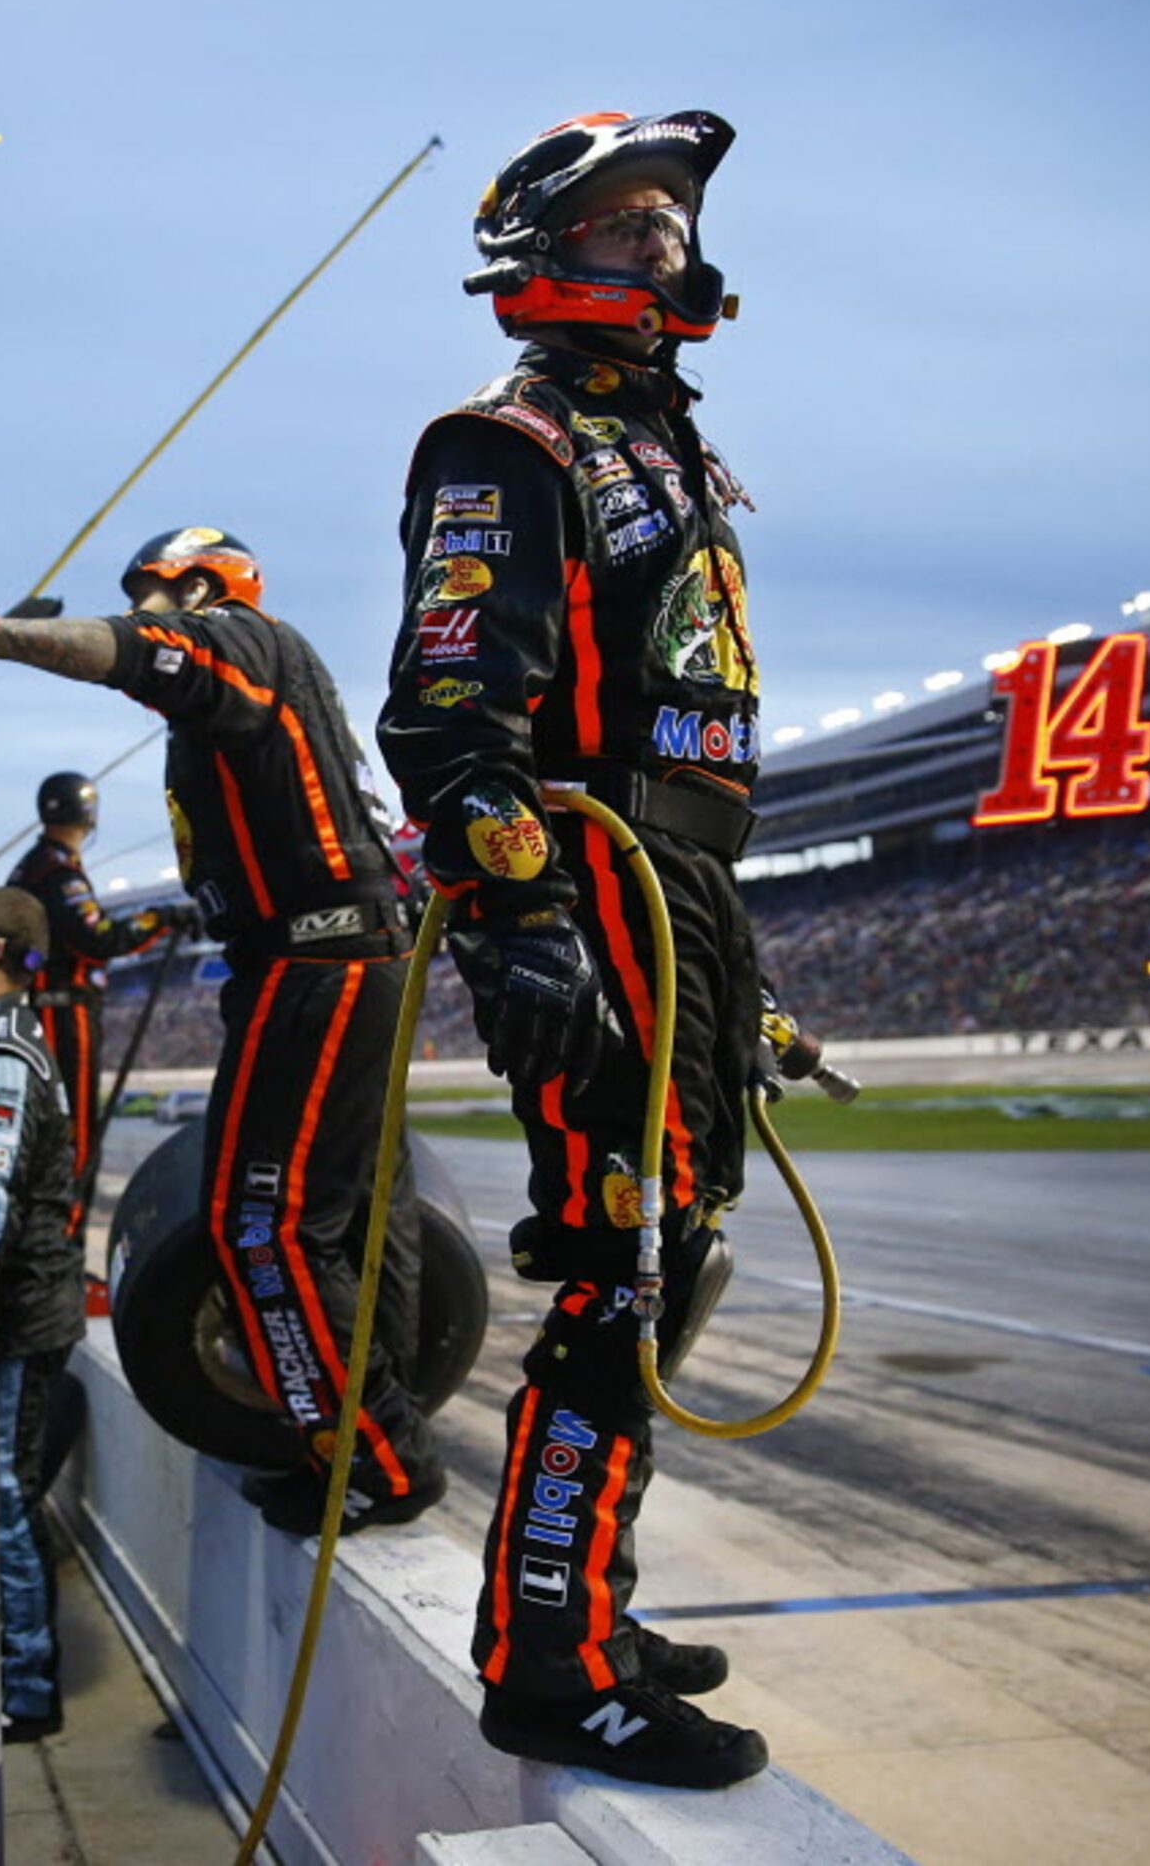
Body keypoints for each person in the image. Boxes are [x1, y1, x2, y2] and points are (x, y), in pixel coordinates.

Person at [376, 110, 769, 1788]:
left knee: (670, 1261)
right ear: (540, 253)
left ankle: (586, 1602)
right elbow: (454, 712)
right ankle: (553, 1654)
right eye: (624, 223)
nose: (662, 245)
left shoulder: (668, 446)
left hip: (686, 890)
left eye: (672, 220)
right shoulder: (505, 442)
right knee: (614, 1273)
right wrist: (525, 922)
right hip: (590, 879)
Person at [0, 528, 442, 1533]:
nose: (142, 615)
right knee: (366, 1216)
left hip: (312, 963)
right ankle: (371, 1448)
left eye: (152, 596)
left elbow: (145, 655)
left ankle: (375, 1458)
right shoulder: (268, 672)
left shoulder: (237, 639)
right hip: (340, 956)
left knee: (262, 1228)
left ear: (201, 586)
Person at [0, 887, 82, 1744]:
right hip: (15, 1304)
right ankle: (12, 1667)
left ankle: (27, 1685)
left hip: (15, 1310)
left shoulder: (3, 1048)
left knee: (3, 1491)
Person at [1, 773, 179, 1232]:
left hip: (35, 1011)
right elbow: (97, 938)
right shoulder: (58, 872)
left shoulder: (31, 866)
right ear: (88, 814)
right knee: (72, 1134)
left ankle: (46, 1236)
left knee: (42, 1133)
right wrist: (160, 919)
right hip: (62, 1016)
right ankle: (65, 1236)